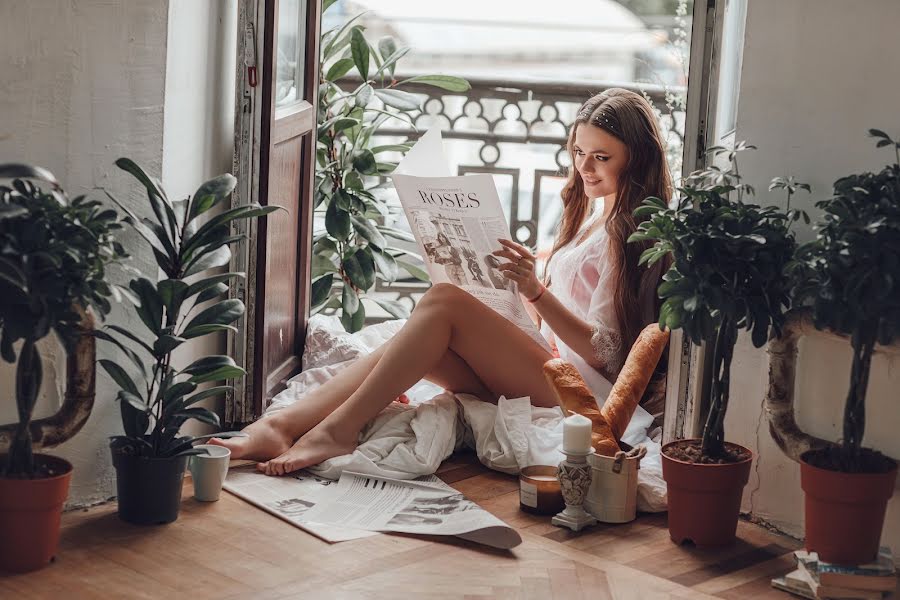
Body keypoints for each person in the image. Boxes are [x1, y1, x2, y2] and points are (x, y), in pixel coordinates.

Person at [209, 88, 671, 476]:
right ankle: (284, 426)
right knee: (416, 338)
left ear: (637, 158)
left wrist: (534, 290)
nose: (585, 167)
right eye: (578, 152)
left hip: (580, 394)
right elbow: (550, 317)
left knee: (443, 302)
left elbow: (608, 355)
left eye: (601, 157)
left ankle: (336, 432)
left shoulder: (626, 234)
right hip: (541, 368)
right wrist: (505, 293)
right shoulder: (592, 218)